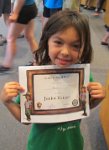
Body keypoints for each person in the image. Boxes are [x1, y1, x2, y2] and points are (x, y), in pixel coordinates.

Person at [0, 10, 105, 150]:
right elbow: (25, 118)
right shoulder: (33, 78)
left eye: (75, 46)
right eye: (58, 42)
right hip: (40, 146)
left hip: (73, 145)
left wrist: (96, 100)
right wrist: (7, 102)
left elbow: (83, 107)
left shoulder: (83, 77)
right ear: (47, 41)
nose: (65, 52)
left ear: (84, 47)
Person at [0, 0, 38, 72]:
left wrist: (15, 13)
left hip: (23, 9)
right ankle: (38, 61)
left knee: (11, 38)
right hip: (31, 6)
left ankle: (6, 65)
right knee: (30, 36)